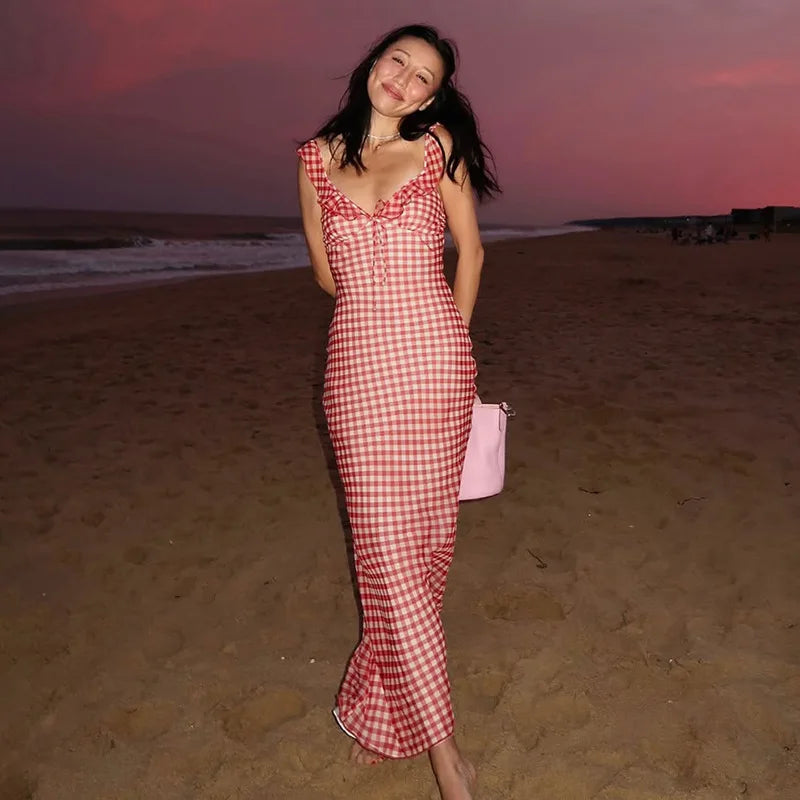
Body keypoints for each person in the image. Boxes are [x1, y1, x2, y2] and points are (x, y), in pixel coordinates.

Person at [297, 23, 499, 800]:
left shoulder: (436, 148)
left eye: (424, 78)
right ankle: (448, 759)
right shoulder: (314, 160)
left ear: (432, 98)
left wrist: (451, 342)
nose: (405, 81)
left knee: (418, 551)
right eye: (398, 62)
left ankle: (387, 712)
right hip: (355, 374)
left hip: (435, 366)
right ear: (372, 64)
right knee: (384, 550)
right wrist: (376, 291)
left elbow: (471, 253)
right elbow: (326, 275)